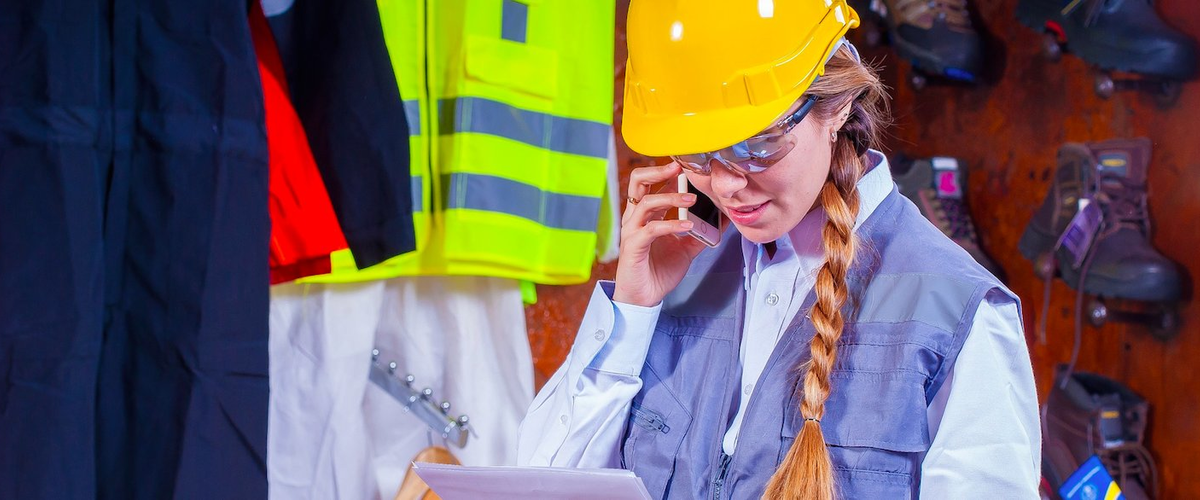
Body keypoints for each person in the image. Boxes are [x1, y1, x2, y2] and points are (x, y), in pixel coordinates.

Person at [516, 1, 1041, 498]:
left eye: (757, 144)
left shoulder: (958, 315)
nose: (726, 185)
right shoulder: (674, 273)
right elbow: (540, 485)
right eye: (697, 153)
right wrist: (632, 311)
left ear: (837, 105)